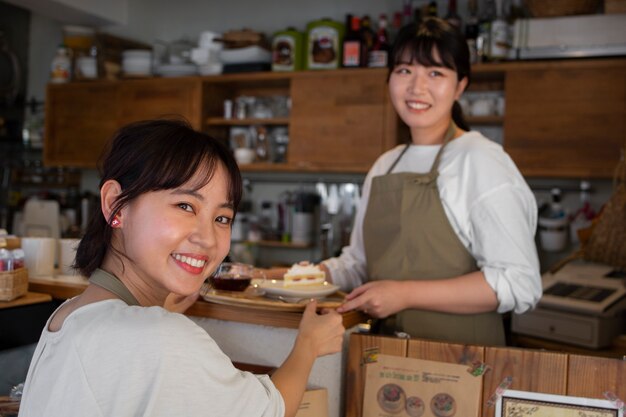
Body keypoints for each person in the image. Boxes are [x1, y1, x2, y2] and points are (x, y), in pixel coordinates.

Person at [18, 119, 345, 417]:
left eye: (222, 218)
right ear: (115, 204)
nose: (207, 238)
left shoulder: (69, 315)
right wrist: (309, 345)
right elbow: (271, 410)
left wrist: (163, 310)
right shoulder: (161, 338)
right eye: (185, 206)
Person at [320, 18, 541, 346]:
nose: (416, 87)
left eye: (435, 73)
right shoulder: (386, 164)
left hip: (465, 366)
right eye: (405, 70)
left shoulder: (480, 160)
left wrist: (404, 294)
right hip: (383, 359)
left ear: (460, 86)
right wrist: (288, 277)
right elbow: (358, 265)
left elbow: (519, 283)